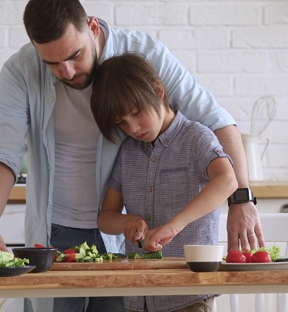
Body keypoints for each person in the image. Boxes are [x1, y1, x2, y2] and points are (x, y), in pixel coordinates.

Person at [0, 0, 263, 312]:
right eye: (52, 64)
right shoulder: (20, 71)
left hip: (124, 244)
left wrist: (241, 199)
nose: (66, 72)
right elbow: (3, 151)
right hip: (54, 232)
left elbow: (216, 119)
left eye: (75, 56)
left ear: (92, 27)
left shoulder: (143, 54)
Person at [91, 53, 237, 312]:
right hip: (138, 297)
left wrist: (174, 226)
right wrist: (126, 221)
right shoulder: (128, 152)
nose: (133, 127)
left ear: (158, 91)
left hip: (189, 294)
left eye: (136, 113)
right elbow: (106, 217)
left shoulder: (196, 138)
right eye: (122, 122)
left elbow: (227, 180)